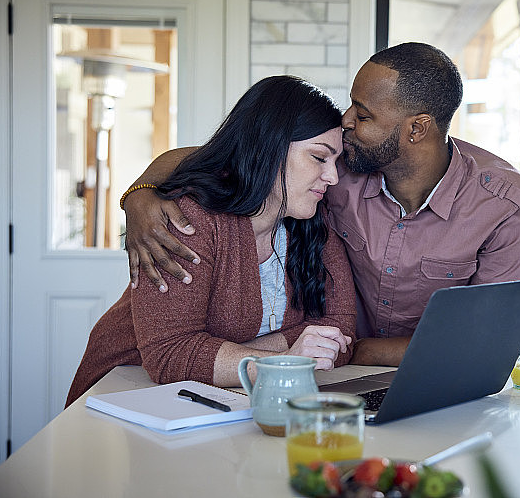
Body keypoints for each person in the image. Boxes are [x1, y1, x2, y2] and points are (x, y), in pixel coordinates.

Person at [120, 43, 520, 368]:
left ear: (417, 129)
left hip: (420, 370)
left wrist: (355, 350)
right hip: (326, 371)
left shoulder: (505, 204)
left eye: (365, 113)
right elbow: (233, 155)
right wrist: (139, 196)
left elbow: (492, 340)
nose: (347, 120)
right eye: (352, 103)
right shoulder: (339, 168)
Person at [66, 76, 356, 407]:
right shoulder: (189, 219)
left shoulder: (313, 223)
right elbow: (170, 354)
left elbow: (340, 333)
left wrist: (226, 353)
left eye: (337, 162)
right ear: (268, 148)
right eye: (319, 158)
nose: (332, 177)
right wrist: (288, 357)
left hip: (220, 403)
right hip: (122, 395)